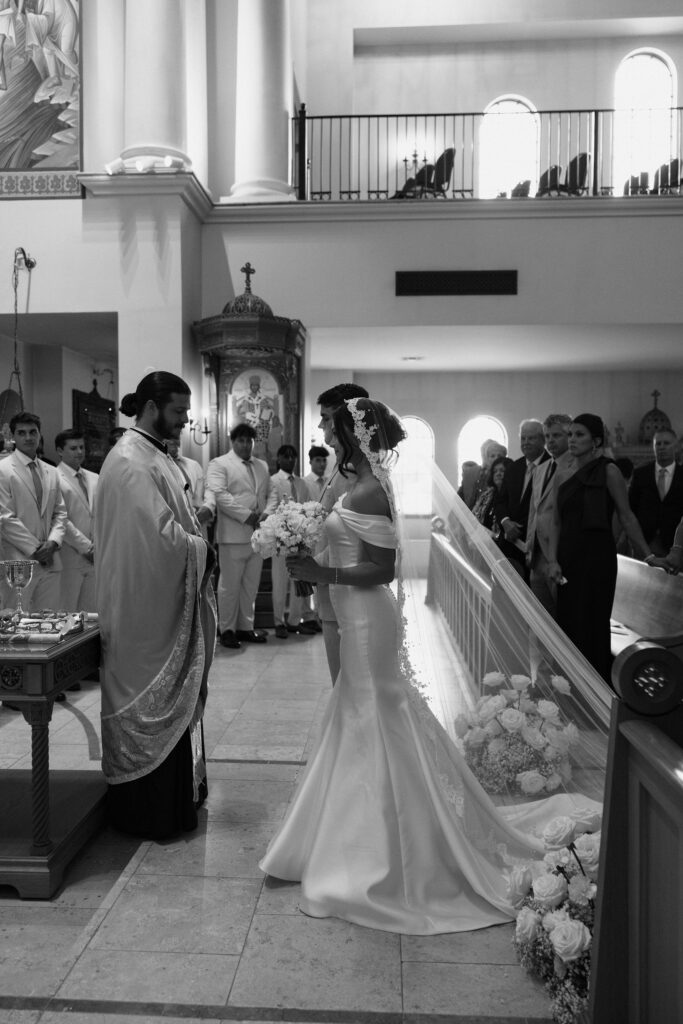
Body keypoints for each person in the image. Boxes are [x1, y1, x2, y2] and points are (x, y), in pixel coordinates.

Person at [259, 397, 602, 935]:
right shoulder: (357, 484)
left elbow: (383, 569)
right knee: (358, 711)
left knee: (373, 713)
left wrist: (323, 575)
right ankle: (340, 833)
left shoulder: (369, 491)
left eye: (334, 427)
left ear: (354, 434)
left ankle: (381, 846)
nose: (327, 433)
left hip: (367, 619)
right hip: (353, 615)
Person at [94, 371, 216, 840]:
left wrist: (195, 539)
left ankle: (178, 799)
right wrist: (201, 549)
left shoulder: (154, 454)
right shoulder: (131, 462)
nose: (185, 420)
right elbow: (157, 540)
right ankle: (147, 812)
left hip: (155, 603)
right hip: (141, 611)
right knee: (149, 696)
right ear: (150, 408)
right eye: (178, 411)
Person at [547, 414, 654, 684]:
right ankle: (569, 687)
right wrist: (552, 560)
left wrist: (648, 554)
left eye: (579, 435)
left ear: (595, 441)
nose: (572, 440)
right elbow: (556, 521)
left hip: (598, 557)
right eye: (570, 434)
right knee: (569, 620)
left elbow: (626, 516)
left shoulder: (609, 471)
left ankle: (596, 689)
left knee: (593, 622)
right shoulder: (562, 474)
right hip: (569, 557)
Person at [314, 383, 369, 682]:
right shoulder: (342, 462)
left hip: (343, 581)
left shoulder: (353, 469)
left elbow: (352, 538)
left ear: (343, 418)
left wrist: (314, 566)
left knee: (347, 681)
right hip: (331, 580)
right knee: (342, 680)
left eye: (325, 417)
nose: (321, 425)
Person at [206, 422, 272, 649]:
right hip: (233, 535)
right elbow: (220, 495)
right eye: (241, 440)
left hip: (258, 535)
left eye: (249, 441)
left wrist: (266, 514)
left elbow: (271, 494)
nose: (245, 445)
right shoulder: (219, 463)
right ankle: (227, 630)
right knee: (229, 586)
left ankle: (246, 627)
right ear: (233, 442)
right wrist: (247, 516)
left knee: (250, 585)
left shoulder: (262, 465)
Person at [0, 410, 67, 612]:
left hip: (51, 560)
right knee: (17, 621)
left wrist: (53, 542)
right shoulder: (3, 469)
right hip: (18, 560)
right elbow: (5, 517)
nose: (28, 437)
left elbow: (60, 512)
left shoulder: (51, 471)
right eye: (22, 433)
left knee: (49, 621)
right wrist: (37, 549)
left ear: (39, 434)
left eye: (33, 432)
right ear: (13, 436)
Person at [524, 414, 575, 617]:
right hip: (536, 555)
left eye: (557, 435)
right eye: (547, 436)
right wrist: (529, 547)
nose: (550, 441)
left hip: (558, 553)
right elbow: (534, 511)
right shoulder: (541, 468)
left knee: (562, 615)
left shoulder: (575, 467)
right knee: (541, 618)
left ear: (569, 436)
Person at [265, 444, 312, 638]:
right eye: (286, 456)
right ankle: (278, 622)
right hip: (280, 539)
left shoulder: (301, 483)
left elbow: (307, 508)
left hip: (299, 539)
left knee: (298, 580)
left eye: (293, 456)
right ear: (278, 459)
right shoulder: (273, 481)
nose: (290, 459)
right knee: (280, 582)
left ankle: (294, 621)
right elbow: (271, 508)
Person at [494, 420, 549, 578]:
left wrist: (518, 528)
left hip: (536, 546)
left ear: (543, 440)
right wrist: (505, 522)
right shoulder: (513, 467)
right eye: (523, 438)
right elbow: (500, 500)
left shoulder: (551, 467)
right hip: (509, 543)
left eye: (531, 438)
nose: (526, 442)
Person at [55, 428, 97, 612]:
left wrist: (97, 546)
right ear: (59, 451)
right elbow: (60, 518)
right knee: (67, 611)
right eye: (73, 448)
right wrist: (85, 547)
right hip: (70, 554)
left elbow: (101, 514)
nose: (79, 452)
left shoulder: (94, 477)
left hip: (95, 554)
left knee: (92, 613)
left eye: (82, 447)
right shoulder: (53, 477)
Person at [628, 428, 683, 558]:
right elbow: (631, 508)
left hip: (675, 545)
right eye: (658, 444)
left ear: (676, 447)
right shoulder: (640, 473)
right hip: (644, 542)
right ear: (653, 447)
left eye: (666, 443)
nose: (662, 447)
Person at [166, 438, 215, 539]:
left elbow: (208, 488)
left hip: (199, 526)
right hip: (175, 530)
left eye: (176, 436)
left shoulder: (193, 465)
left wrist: (208, 507)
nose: (172, 440)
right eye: (168, 436)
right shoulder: (157, 467)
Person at [470, 455, 511, 534]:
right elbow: (474, 518)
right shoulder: (486, 495)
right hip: (482, 538)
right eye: (495, 471)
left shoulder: (513, 495)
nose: (498, 474)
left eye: (502, 471)